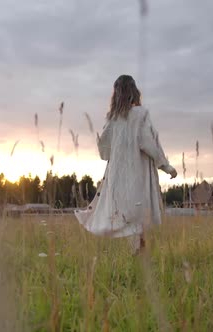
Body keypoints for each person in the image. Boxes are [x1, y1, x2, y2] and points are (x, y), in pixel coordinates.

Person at [75, 74, 177, 255]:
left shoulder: (112, 118)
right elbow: (148, 142)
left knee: (128, 216)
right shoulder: (141, 114)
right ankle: (139, 255)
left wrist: (118, 152)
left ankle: (136, 254)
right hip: (137, 174)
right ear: (134, 91)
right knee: (138, 216)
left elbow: (103, 149)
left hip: (118, 176)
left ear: (117, 94)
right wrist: (165, 165)